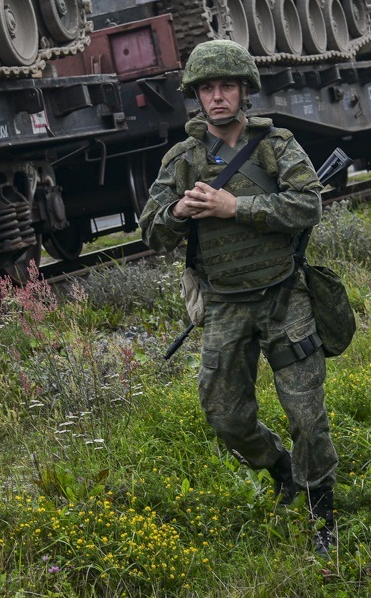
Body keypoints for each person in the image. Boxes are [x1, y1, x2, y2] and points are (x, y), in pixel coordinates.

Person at [138, 39, 339, 549]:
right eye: (207, 88)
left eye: (227, 85)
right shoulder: (182, 161)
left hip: (284, 299)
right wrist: (177, 214)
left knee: (307, 416)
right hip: (226, 302)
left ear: (244, 91)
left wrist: (236, 208)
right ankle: (281, 467)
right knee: (225, 416)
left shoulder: (277, 145)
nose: (218, 96)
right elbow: (150, 233)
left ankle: (323, 516)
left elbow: (308, 205)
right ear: (196, 97)